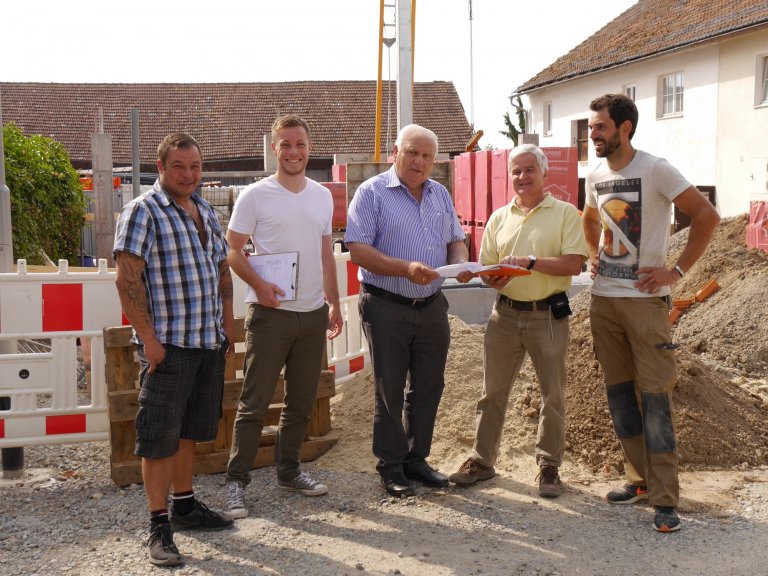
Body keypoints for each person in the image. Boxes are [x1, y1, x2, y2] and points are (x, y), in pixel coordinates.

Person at [582, 94, 720, 532]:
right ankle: (638, 481)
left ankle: (665, 499)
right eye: (592, 127)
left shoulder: (656, 168)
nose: (593, 134)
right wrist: (592, 252)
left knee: (655, 399)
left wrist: (676, 271)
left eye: (600, 127)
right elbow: (588, 218)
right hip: (604, 301)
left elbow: (706, 215)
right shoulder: (598, 173)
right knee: (620, 395)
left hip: (646, 304)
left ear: (625, 128)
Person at [114, 132, 236, 567]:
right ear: (161, 168)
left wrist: (228, 320)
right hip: (169, 344)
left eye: (195, 167)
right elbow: (127, 280)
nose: (189, 175)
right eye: (179, 167)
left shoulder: (205, 209)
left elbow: (222, 269)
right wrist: (148, 340)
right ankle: (158, 524)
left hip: (205, 340)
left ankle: (184, 505)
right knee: (158, 439)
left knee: (188, 431)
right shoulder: (143, 211)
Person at [449, 144, 587, 498]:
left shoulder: (566, 213)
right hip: (505, 315)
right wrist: (488, 276)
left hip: (548, 316)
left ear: (544, 174)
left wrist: (530, 262)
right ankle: (482, 461)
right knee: (491, 392)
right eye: (515, 171)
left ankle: (549, 467)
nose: (522, 177)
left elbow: (574, 264)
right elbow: (489, 269)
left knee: (552, 395)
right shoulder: (499, 218)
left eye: (529, 170)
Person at [224, 114, 342, 518]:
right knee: (254, 402)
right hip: (270, 314)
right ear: (273, 148)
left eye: (300, 145)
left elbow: (326, 251)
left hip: (311, 315)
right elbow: (234, 251)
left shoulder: (322, 196)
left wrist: (335, 302)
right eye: (286, 145)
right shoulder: (255, 196)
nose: (294, 152)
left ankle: (288, 470)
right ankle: (236, 482)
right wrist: (259, 286)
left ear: (310, 148)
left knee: (301, 400)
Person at [345, 124, 471, 498]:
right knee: (390, 388)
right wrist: (406, 269)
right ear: (394, 152)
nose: (419, 162)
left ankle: (418, 459)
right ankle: (391, 465)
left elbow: (456, 241)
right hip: (387, 304)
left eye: (427, 156)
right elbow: (358, 251)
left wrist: (461, 263)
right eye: (412, 153)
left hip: (432, 305)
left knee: (430, 385)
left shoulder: (440, 193)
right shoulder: (371, 193)